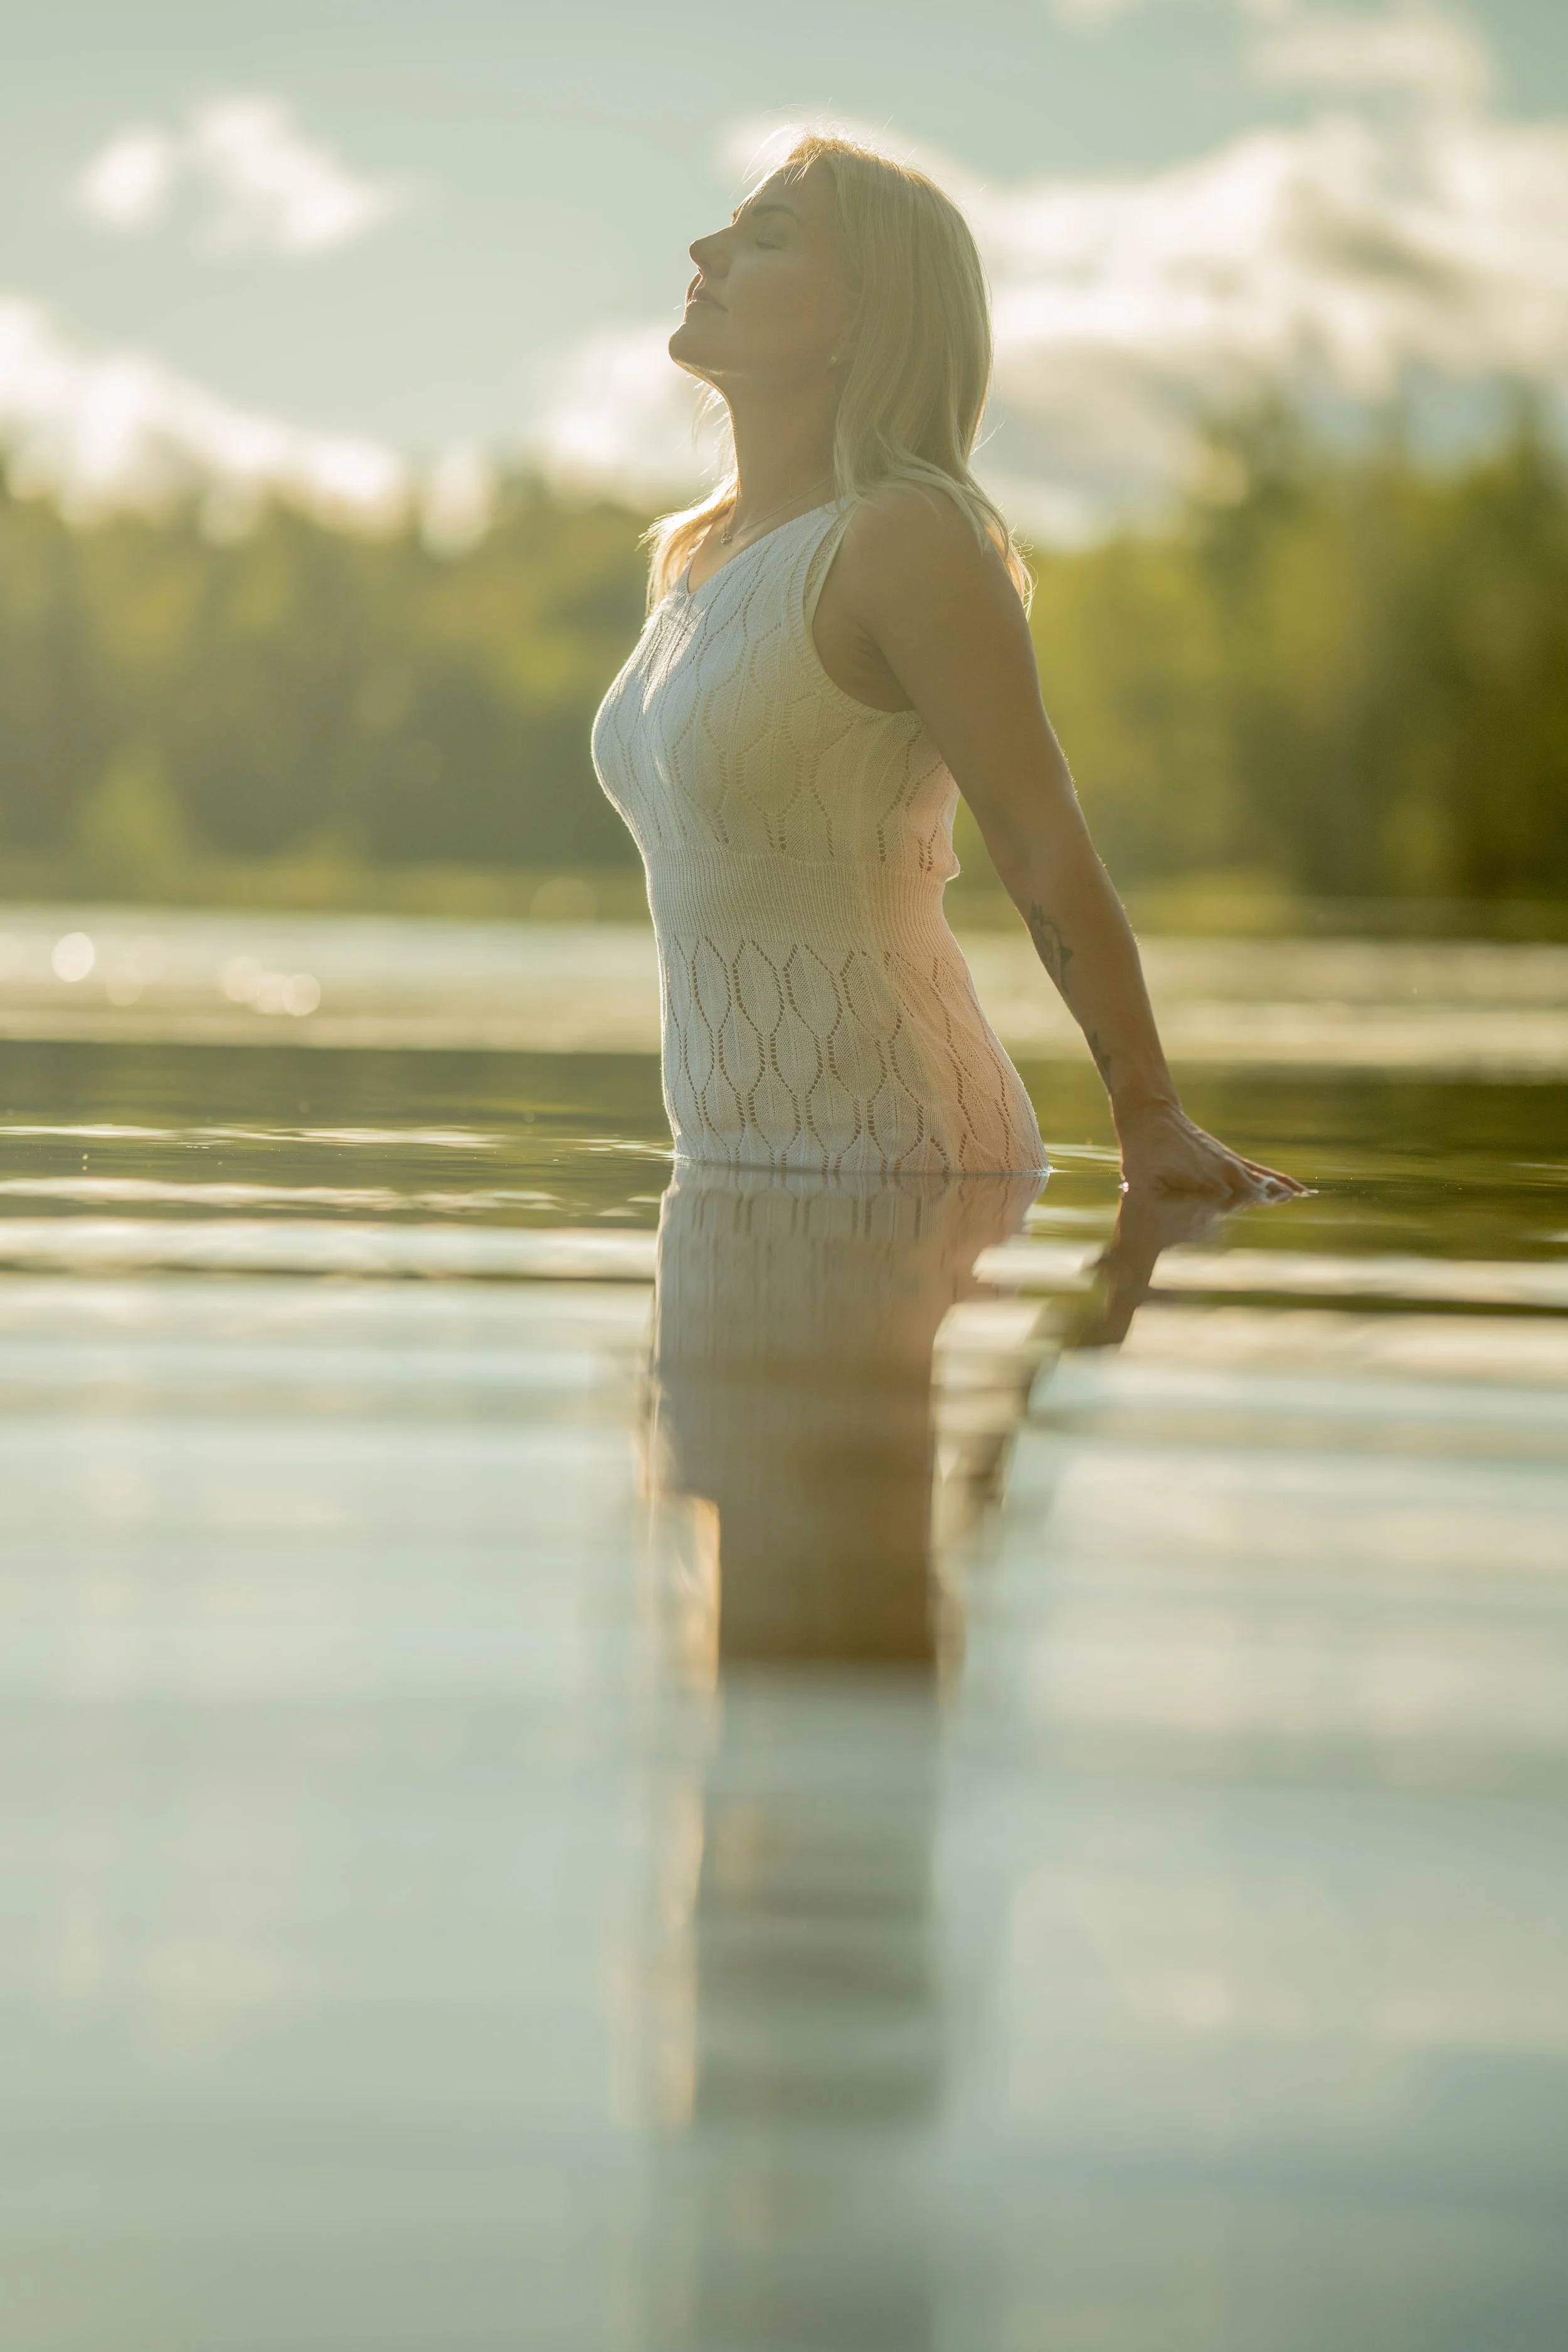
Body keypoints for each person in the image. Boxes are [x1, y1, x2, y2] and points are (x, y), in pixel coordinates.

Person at [593, 132, 1301, 1202]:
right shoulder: (690, 556)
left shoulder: (906, 536)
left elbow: (1037, 833)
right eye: (726, 228)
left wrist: (1148, 1113)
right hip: (729, 1172)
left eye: (767, 236)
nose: (706, 248)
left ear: (865, 317)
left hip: (901, 1154)